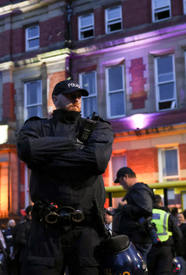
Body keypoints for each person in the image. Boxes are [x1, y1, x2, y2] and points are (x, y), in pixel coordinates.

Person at [16, 79, 114, 275]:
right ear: (55, 99)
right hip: (46, 230)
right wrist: (74, 145)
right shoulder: (36, 126)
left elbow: (96, 161)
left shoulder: (98, 127)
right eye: (70, 95)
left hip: (87, 229)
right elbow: (26, 149)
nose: (76, 99)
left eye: (78, 96)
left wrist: (45, 160)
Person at [112, 167, 155, 262]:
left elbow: (145, 210)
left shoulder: (138, 189)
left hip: (138, 237)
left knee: (137, 266)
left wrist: (124, 207)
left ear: (125, 177)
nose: (120, 184)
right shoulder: (136, 190)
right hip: (136, 236)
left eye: (120, 181)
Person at [147, 195, 183, 275]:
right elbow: (179, 235)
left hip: (150, 249)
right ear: (161, 203)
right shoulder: (167, 216)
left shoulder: (146, 216)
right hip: (165, 249)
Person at [12, 206, 31, 275]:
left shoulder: (34, 225)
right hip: (25, 255)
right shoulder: (23, 225)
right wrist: (32, 244)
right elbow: (20, 239)